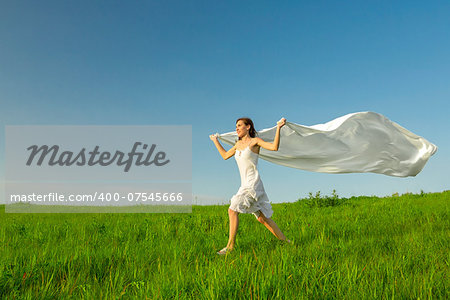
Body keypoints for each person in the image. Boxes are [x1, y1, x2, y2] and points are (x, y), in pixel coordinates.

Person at [209, 117, 291, 255]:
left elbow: (274, 147)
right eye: (236, 126)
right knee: (262, 218)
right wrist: (215, 141)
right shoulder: (237, 144)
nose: (237, 128)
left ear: (248, 127)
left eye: (240, 125)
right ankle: (286, 242)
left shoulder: (255, 142)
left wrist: (278, 128)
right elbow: (224, 155)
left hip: (253, 184)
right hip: (244, 185)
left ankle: (230, 247)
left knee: (232, 209)